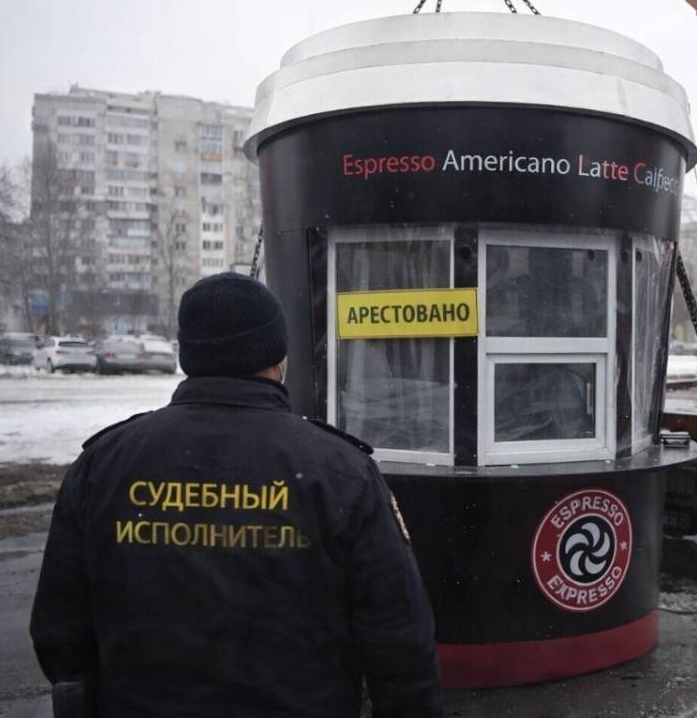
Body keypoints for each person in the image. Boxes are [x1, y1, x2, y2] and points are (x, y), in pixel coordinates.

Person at [30, 272, 443, 717]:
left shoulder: (104, 464)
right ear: (277, 355)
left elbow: (61, 635)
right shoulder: (340, 471)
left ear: (189, 354)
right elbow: (400, 644)